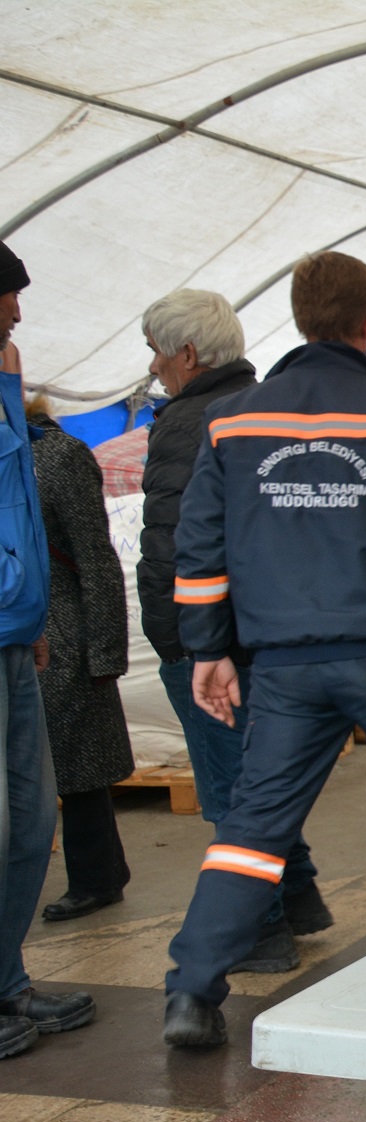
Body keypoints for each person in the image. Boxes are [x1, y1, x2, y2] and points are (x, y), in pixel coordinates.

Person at [163, 250, 366, 1048]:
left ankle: (192, 993)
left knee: (254, 824)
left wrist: (208, 648)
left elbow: (199, 543)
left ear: (300, 316)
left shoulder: (232, 419)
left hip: (286, 666)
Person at [135, 289, 328, 957]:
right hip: (269, 630)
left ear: (186, 354)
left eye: (158, 353)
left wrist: (180, 638)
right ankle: (299, 898)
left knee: (233, 791)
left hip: (210, 639)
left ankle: (261, 929)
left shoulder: (189, 422)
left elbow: (172, 540)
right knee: (264, 773)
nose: (155, 367)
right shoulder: (269, 406)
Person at [0, 243, 93, 1059]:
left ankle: (7, 978)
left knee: (29, 820)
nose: (19, 313)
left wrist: (32, 620)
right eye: (7, 298)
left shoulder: (5, 400)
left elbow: (18, 507)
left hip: (14, 634)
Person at [26, 399, 134, 921]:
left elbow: (96, 556)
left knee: (77, 763)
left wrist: (106, 652)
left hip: (65, 631)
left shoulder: (58, 456)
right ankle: (103, 873)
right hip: (28, 627)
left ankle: (95, 878)